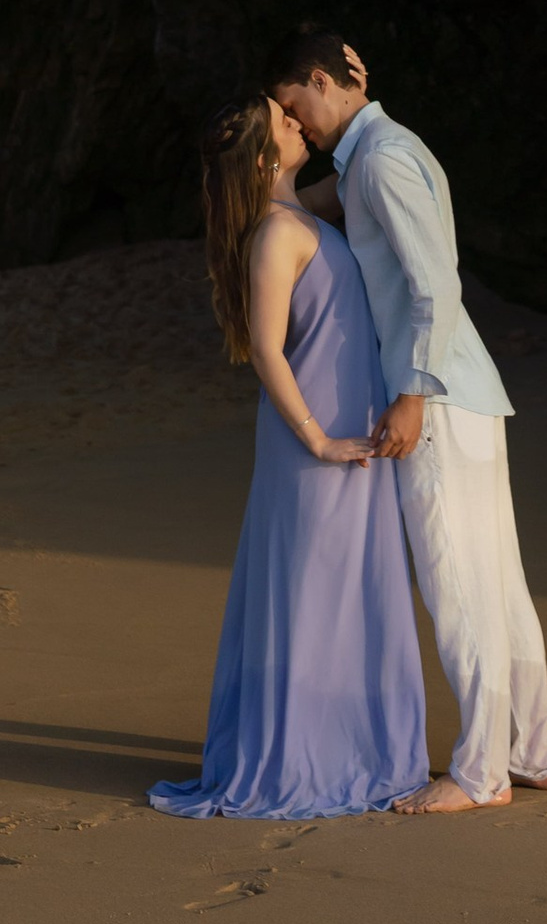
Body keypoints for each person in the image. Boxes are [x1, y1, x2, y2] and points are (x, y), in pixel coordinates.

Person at [272, 27, 547, 813]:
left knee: (459, 587)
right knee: (498, 582)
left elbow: (435, 280)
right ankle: (535, 751)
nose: (294, 122)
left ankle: (481, 773)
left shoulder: (384, 158)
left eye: (293, 104)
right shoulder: (378, 149)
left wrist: (408, 391)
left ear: (318, 81)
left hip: (436, 396)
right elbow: (308, 210)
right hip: (463, 392)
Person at [149, 96, 430, 822]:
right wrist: (316, 438)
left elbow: (366, 159)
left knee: (347, 595)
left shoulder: (298, 212)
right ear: (267, 156)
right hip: (315, 443)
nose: (299, 121)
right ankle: (303, 759)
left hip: (345, 435)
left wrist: (362, 95)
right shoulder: (276, 235)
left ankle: (355, 751)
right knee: (313, 598)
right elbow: (266, 350)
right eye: (283, 119)